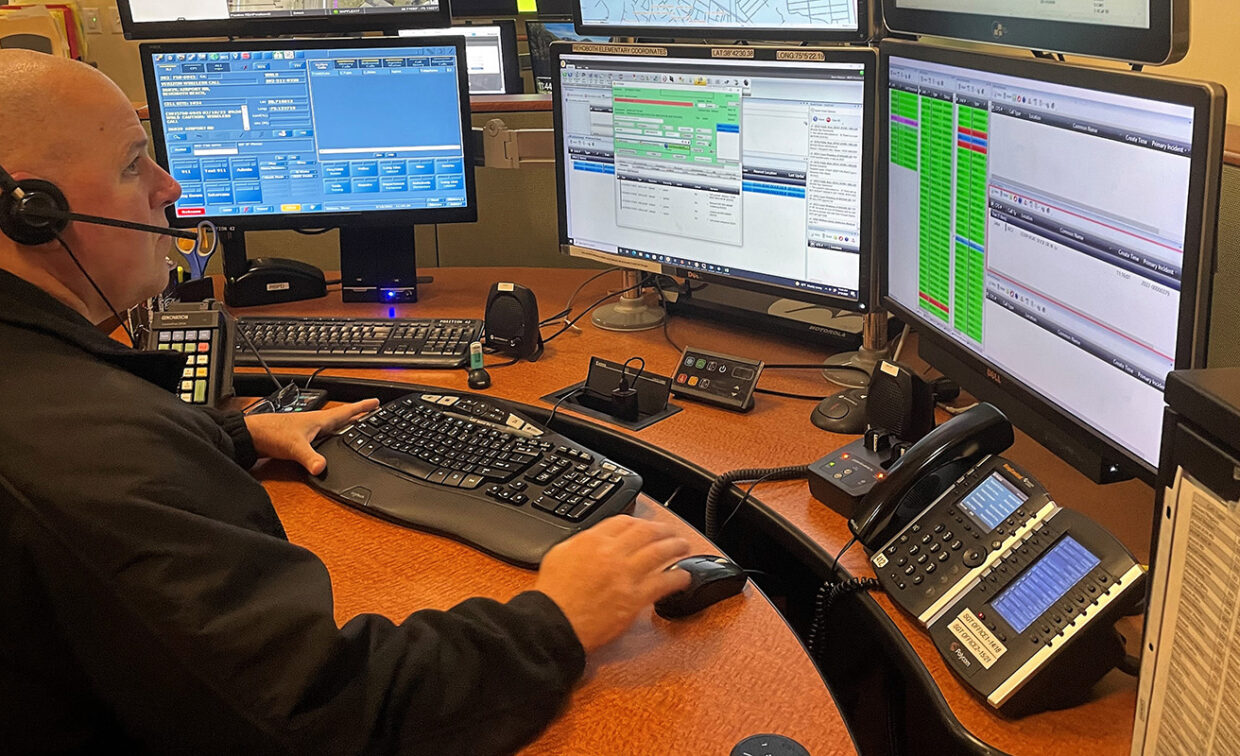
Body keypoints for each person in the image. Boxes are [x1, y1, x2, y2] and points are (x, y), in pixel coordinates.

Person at [0, 50, 692, 754]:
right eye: (132, 163)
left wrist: (234, 437)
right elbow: (324, 715)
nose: (169, 185)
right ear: (33, 211)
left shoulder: (49, 401)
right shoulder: (98, 455)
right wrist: (559, 620)